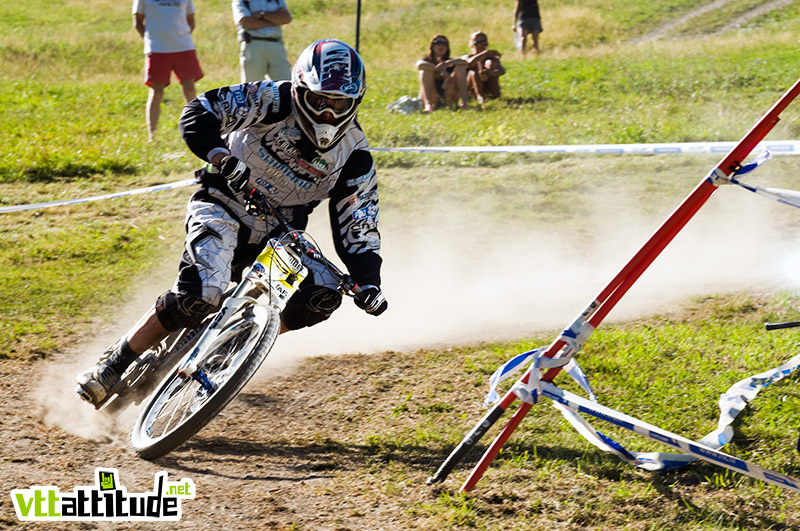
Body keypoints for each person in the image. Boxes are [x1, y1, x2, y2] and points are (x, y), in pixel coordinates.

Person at [76, 39, 388, 406]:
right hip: (223, 202)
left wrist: (369, 282)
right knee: (199, 296)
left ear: (356, 102)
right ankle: (115, 362)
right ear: (301, 89)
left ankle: (235, 349)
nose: (328, 114)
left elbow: (359, 224)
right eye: (321, 100)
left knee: (322, 296)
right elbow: (199, 111)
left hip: (280, 233)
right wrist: (222, 157)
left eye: (340, 104)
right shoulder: (270, 99)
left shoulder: (355, 154)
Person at [133, 0, 204, 142]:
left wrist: (179, 36)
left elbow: (191, 21)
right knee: (156, 92)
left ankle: (195, 130)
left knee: (190, 90)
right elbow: (138, 22)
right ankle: (152, 136)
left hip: (183, 47)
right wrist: (152, 41)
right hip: (157, 49)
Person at [232, 0, 293, 83]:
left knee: (285, 83)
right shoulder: (242, 1)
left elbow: (286, 18)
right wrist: (274, 20)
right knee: (252, 86)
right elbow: (246, 23)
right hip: (253, 45)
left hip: (276, 45)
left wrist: (262, 14)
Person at [416, 35, 469, 112]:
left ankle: (464, 102)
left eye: (445, 44)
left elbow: (465, 63)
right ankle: (428, 105)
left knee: (460, 67)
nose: (441, 46)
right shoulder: (427, 60)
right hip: (432, 96)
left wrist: (449, 63)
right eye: (438, 43)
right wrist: (439, 70)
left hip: (449, 95)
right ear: (432, 46)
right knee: (425, 71)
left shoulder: (450, 62)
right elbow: (419, 65)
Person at [461, 31, 505, 104]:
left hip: (488, 87)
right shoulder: (467, 56)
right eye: (477, 42)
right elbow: (469, 64)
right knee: (474, 72)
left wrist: (489, 73)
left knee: (491, 63)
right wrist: (485, 53)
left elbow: (502, 70)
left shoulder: (490, 58)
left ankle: (493, 95)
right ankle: (479, 96)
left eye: (483, 42)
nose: (480, 45)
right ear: (472, 44)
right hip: (471, 90)